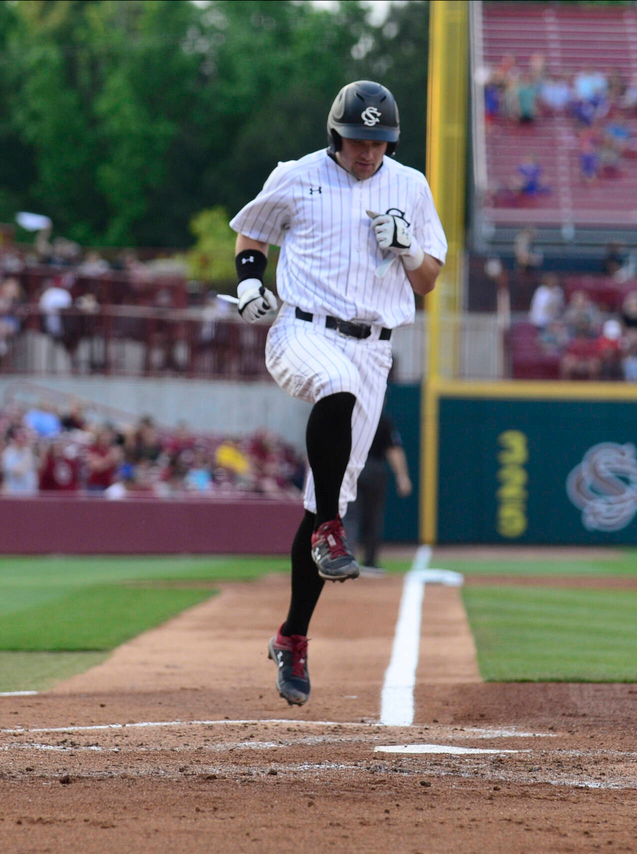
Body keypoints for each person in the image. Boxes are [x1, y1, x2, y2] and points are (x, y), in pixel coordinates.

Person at [228, 81, 445, 707]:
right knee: (336, 385)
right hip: (302, 329)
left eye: (379, 141)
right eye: (357, 139)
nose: (367, 151)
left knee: (329, 493)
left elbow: (429, 279)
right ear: (335, 134)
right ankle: (329, 528)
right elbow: (251, 235)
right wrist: (249, 287)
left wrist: (408, 250)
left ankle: (292, 636)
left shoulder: (411, 186)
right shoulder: (298, 175)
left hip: (374, 347)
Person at [342, 412, 412, 573]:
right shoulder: (382, 419)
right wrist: (402, 477)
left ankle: (346, 559)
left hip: (351, 468)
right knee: (373, 517)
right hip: (373, 469)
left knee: (350, 516)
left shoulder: (351, 415)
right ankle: (370, 562)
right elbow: (394, 450)